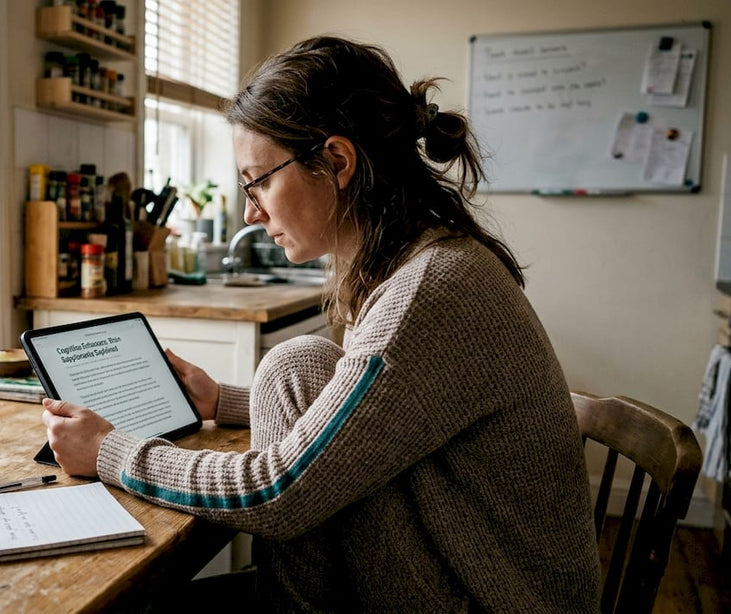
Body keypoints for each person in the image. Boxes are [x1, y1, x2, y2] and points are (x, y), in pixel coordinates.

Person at [42, 35, 601, 612]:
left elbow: (276, 491)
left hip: (492, 600)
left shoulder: (429, 290)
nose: (250, 212)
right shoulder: (413, 260)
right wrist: (221, 401)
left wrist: (109, 450)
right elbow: (374, 417)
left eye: (259, 181)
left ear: (336, 162)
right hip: (452, 567)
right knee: (297, 364)